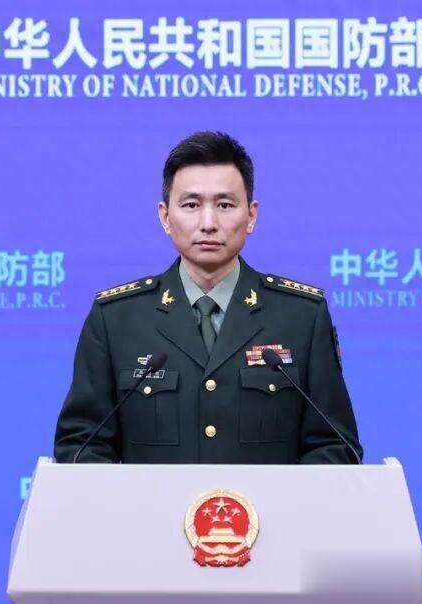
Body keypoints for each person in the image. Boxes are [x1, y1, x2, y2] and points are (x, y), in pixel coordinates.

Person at [54, 131, 362, 464]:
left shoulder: (302, 316)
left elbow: (335, 447)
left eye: (225, 205)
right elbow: (81, 447)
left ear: (251, 216)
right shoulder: (116, 319)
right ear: (165, 217)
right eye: (191, 205)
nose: (208, 223)